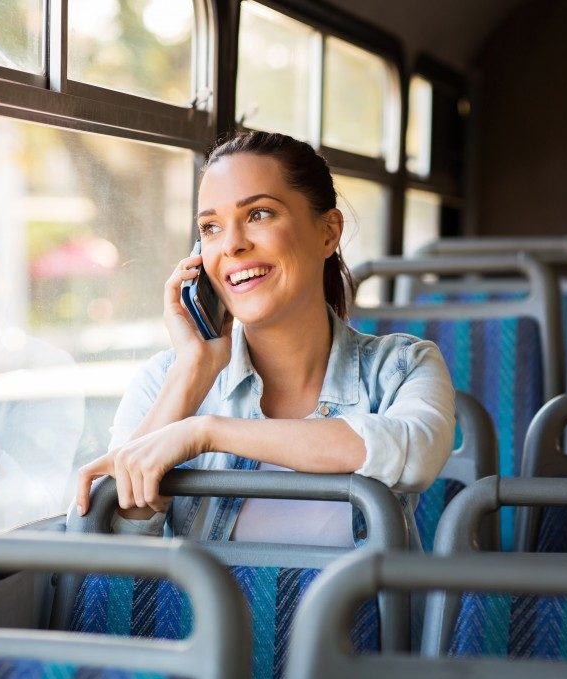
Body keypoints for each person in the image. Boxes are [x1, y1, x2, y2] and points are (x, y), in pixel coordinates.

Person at [75, 131, 455, 548]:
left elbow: (414, 452)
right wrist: (192, 373)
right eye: (212, 227)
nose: (233, 245)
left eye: (259, 214)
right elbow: (106, 554)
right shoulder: (168, 378)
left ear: (328, 232)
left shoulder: (402, 366)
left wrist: (208, 432)